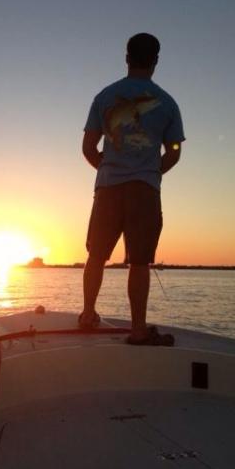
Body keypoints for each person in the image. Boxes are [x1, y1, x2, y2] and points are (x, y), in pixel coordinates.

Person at [80, 32, 185, 345]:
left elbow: (88, 148)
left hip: (108, 189)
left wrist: (108, 169)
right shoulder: (167, 103)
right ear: (156, 61)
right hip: (145, 190)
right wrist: (150, 172)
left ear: (127, 57)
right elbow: (174, 152)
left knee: (96, 255)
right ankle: (138, 329)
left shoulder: (104, 97)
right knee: (139, 262)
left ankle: (87, 315)